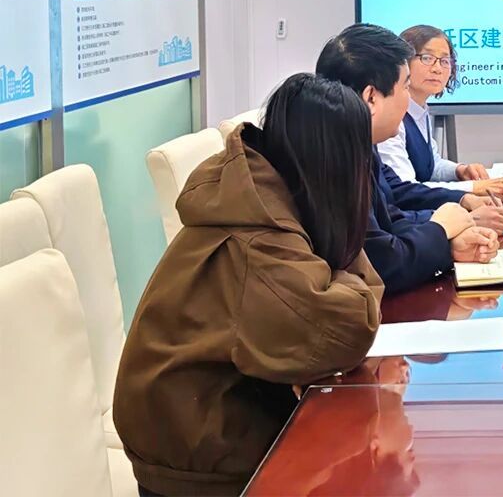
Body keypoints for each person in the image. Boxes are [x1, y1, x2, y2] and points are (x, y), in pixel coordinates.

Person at [113, 73, 385, 496]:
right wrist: (342, 282)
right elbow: (346, 327)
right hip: (199, 455)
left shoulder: (265, 191)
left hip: (211, 418)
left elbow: (346, 292)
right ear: (334, 162)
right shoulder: (259, 233)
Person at [316, 23, 503, 294]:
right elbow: (385, 263)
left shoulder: (359, 145)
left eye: (444, 61)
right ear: (371, 98)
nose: (408, 104)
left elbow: (390, 213)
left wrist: (448, 236)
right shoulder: (333, 160)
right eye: (404, 88)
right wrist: (441, 229)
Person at [378, 24, 503, 203]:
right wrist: (474, 188)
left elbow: (430, 165)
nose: (437, 69)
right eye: (427, 58)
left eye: (445, 61)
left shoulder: (420, 110)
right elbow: (405, 188)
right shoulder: (391, 119)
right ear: (404, 62)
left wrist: (459, 170)